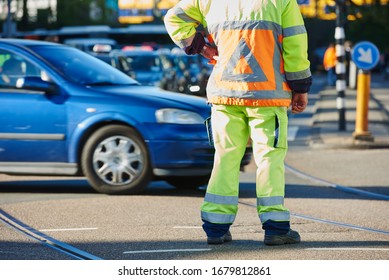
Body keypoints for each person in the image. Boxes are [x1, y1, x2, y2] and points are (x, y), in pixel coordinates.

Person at [164, 0, 312, 246]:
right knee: (269, 158)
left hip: (225, 95)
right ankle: (275, 227)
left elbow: (173, 17)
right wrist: (300, 88)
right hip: (267, 96)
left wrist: (201, 47)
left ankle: (216, 227)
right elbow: (295, 46)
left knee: (225, 157)